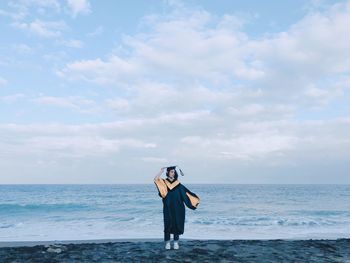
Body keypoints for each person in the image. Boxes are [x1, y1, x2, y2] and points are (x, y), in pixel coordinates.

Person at [154, 166, 200, 250]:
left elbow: (186, 194)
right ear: (168, 172)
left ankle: (176, 242)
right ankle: (167, 242)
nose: (173, 173)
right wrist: (161, 171)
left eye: (174, 172)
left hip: (178, 207)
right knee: (168, 223)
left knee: (177, 223)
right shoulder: (164, 183)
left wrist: (193, 201)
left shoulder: (178, 185)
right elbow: (156, 179)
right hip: (168, 207)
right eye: (171, 172)